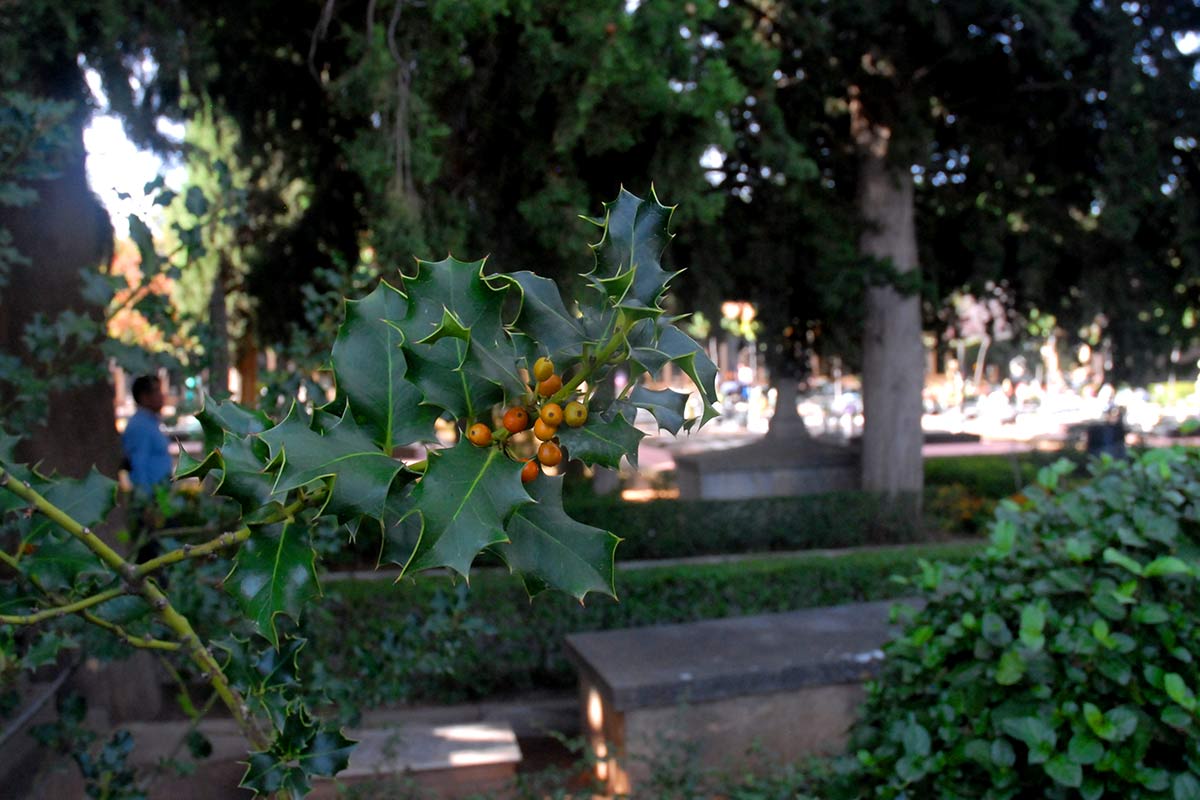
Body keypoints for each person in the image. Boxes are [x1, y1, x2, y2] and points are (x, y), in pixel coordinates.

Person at [122, 375, 173, 492]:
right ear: (144, 397)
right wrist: (144, 497)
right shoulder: (139, 425)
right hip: (151, 495)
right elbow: (138, 464)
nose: (162, 396)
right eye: (157, 391)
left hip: (160, 492)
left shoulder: (151, 422)